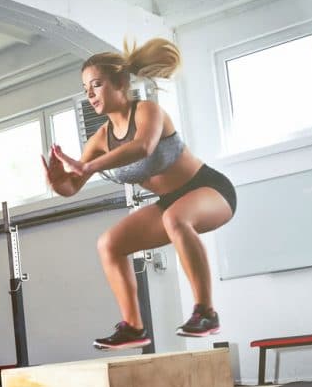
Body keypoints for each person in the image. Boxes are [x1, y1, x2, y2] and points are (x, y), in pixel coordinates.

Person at [42, 38, 237, 350]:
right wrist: (57, 181)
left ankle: (206, 312)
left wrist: (88, 166)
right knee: (110, 243)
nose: (90, 95)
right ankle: (133, 327)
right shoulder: (101, 138)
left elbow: (142, 147)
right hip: (170, 204)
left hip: (210, 189)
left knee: (176, 217)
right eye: (86, 89)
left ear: (120, 83)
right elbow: (72, 186)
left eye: (97, 85)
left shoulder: (148, 111)